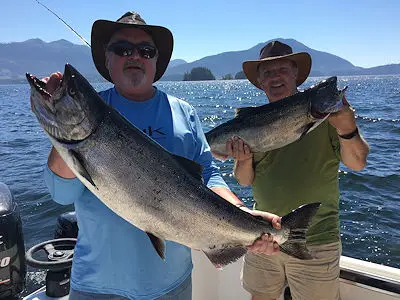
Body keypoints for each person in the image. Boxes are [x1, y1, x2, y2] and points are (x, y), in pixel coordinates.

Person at [37, 12, 281, 300]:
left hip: (171, 284)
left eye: (146, 50)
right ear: (107, 59)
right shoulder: (91, 109)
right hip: (96, 284)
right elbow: (60, 193)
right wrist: (66, 126)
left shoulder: (183, 112)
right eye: (122, 49)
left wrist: (242, 214)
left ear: (156, 61)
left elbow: (209, 175)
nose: (135, 56)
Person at [222, 41, 370, 300]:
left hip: (317, 238)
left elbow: (357, 162)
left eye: (282, 69)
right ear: (260, 81)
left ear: (295, 75)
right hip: (263, 234)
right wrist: (243, 159)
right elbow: (244, 181)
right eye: (268, 72)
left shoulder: (327, 119)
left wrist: (348, 128)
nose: (275, 76)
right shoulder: (250, 122)